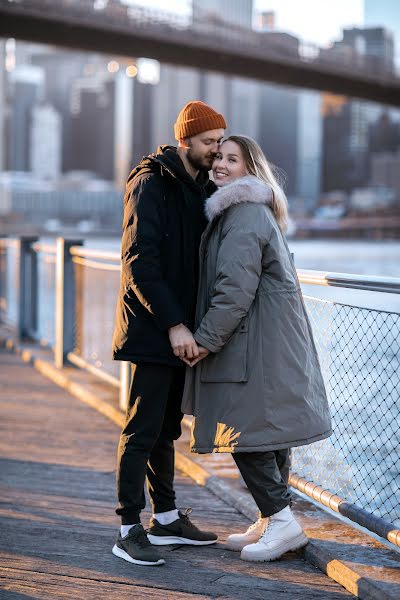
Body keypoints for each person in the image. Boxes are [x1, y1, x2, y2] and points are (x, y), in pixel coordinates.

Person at [182, 135, 332, 563]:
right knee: (267, 434)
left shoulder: (243, 213)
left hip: (254, 345)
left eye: (233, 159)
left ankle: (283, 524)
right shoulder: (251, 211)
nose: (221, 166)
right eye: (219, 158)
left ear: (251, 169)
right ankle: (271, 520)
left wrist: (205, 340)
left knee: (246, 434)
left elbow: (234, 290)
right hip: (265, 342)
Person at [111, 101, 226, 566]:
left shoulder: (198, 185)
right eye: (208, 143)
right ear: (185, 142)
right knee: (141, 429)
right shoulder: (150, 182)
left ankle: (166, 518)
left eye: (220, 143)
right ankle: (127, 529)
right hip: (154, 327)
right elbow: (139, 260)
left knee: (165, 429)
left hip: (181, 330)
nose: (216, 152)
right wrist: (175, 324)